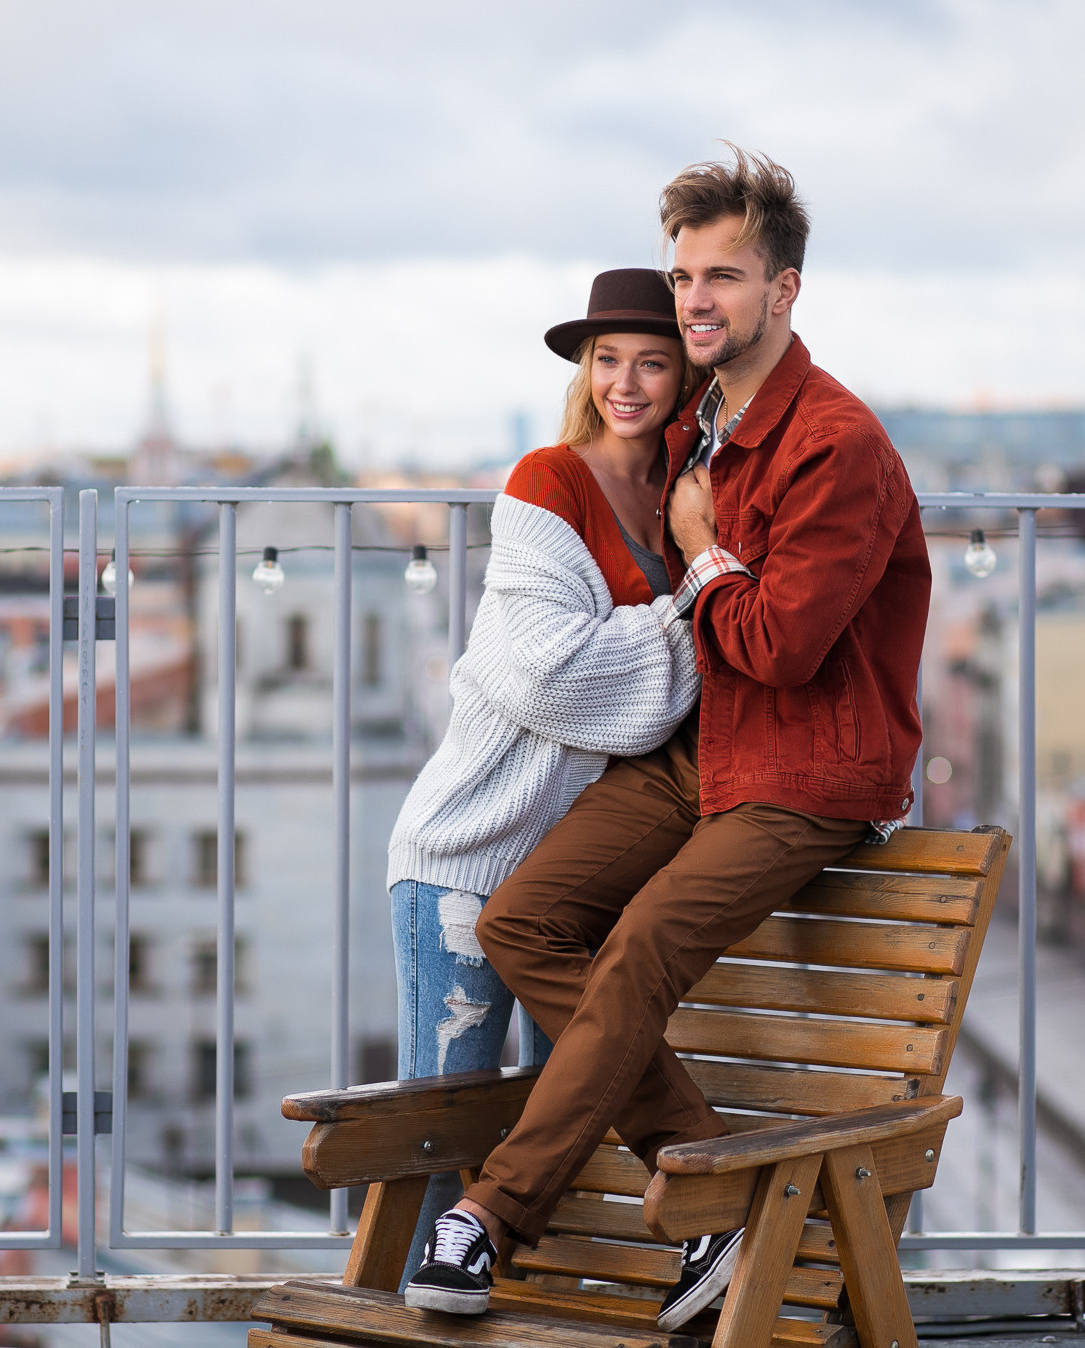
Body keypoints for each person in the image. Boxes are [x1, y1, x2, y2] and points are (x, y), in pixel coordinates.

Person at [402, 147, 930, 1331]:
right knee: (521, 920)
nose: (695, 299)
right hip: (708, 752)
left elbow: (780, 646)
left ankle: (489, 1216)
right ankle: (711, 1183)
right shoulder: (701, 420)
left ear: (782, 292)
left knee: (635, 943)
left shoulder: (829, 445)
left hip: (804, 769)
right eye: (685, 273)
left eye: (724, 278)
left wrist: (695, 549)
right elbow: (609, 452)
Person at [388, 267, 703, 1293]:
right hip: (469, 853)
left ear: (681, 371)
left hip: (572, 870)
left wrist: (642, 627)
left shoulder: (683, 495)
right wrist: (688, 602)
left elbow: (627, 678)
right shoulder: (545, 481)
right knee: (452, 1131)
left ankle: (521, 1310)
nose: (625, 381)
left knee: (553, 1115)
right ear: (583, 369)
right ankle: (420, 1311)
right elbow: (546, 675)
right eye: (605, 359)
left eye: (650, 361)